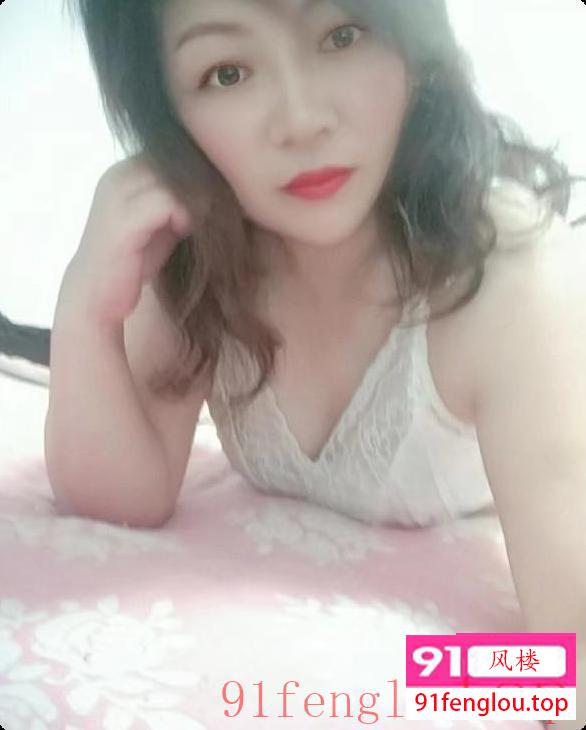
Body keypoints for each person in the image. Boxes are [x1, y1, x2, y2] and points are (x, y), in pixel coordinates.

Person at [1, 3, 586, 723]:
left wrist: (366, 678)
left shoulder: (514, 283)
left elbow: (570, 661)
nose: (302, 120)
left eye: (342, 35)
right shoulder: (199, 253)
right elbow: (120, 497)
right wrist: (86, 306)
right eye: (227, 72)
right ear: (165, 112)